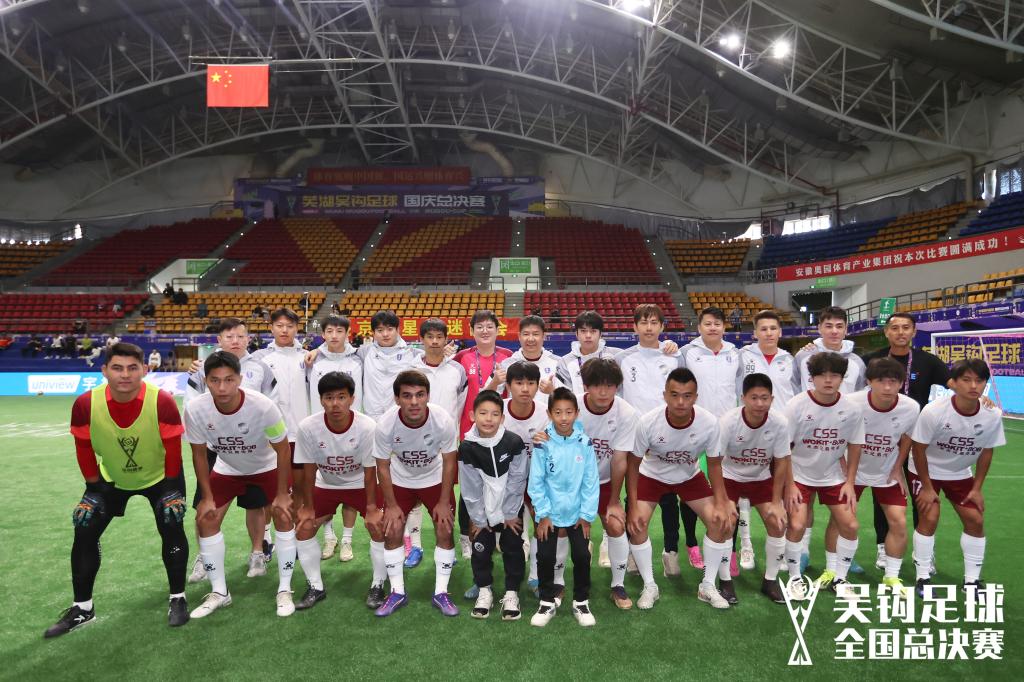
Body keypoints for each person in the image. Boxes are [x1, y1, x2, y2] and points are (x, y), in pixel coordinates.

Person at [44, 343, 189, 637]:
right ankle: (83, 608)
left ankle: (178, 598)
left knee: (171, 525)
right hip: (111, 478)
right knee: (84, 528)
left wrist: (172, 489)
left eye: (132, 368)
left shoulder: (162, 401)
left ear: (145, 370)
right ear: (104, 371)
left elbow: (173, 449)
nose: (125, 375)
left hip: (161, 477)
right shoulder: (86, 404)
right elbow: (84, 448)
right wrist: (93, 488)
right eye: (117, 368)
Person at [185, 351, 296, 619]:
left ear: (240, 379)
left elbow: (283, 449)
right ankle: (220, 592)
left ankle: (284, 589)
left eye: (229, 380)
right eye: (215, 381)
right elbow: (199, 454)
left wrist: (282, 494)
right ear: (206, 381)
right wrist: (207, 497)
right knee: (205, 518)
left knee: (283, 515)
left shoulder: (262, 407)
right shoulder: (196, 409)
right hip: (228, 468)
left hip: (266, 466)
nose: (222, 387)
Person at [626, 368, 736, 611]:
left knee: (720, 521)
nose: (680, 402)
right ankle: (650, 585)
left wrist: (722, 502)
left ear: (696, 397)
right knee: (637, 524)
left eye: (687, 396)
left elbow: (715, 465)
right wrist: (632, 506)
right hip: (652, 476)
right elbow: (632, 466)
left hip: (689, 476)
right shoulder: (648, 422)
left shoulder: (709, 423)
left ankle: (708, 585)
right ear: (664, 395)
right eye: (674, 395)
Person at [185, 317, 279, 583]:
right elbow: (191, 405)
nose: (235, 341)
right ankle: (205, 557)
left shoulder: (260, 367)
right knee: (205, 506)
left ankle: (257, 552)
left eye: (240, 336)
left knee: (256, 505)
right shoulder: (202, 368)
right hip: (216, 448)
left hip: (253, 449)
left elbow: (273, 404)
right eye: (229, 336)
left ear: (248, 338)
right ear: (219, 340)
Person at [860, 311, 951, 570]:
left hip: (918, 440)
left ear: (914, 331)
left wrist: (980, 397)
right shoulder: (870, 360)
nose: (900, 332)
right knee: (882, 494)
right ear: (886, 332)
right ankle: (882, 546)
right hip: (883, 439)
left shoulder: (928, 361)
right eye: (895, 328)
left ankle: (924, 553)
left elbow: (954, 383)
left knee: (920, 495)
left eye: (906, 327)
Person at [909, 358, 1005, 596]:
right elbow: (918, 449)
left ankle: (971, 582)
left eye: (979, 381)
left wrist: (977, 488)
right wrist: (927, 488)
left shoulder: (992, 414)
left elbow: (987, 451)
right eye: (966, 380)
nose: (973, 386)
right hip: (926, 470)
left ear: (985, 384)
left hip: (959, 473)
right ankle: (922, 577)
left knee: (975, 520)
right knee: (929, 517)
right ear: (954, 382)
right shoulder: (934, 411)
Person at [548, 357, 638, 609]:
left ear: (617, 387)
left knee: (616, 525)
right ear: (586, 386)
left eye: (609, 385)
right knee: (561, 528)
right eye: (597, 385)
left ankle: (618, 585)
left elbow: (619, 459)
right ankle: (557, 583)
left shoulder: (626, 413)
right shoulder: (571, 408)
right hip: (571, 481)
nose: (603, 392)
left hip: (606, 482)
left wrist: (614, 501)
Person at [293, 371, 387, 611]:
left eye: (342, 397)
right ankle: (315, 587)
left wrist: (371, 508)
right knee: (304, 527)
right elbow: (308, 469)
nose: (335, 404)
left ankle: (378, 584)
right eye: (329, 397)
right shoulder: (308, 427)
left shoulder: (367, 426)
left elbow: (370, 471)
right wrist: (308, 507)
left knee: (378, 525)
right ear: (321, 400)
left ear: (352, 399)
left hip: (360, 483)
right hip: (326, 484)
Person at [373, 370, 459, 617]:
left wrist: (443, 501)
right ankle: (397, 592)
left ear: (428, 396)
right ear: (397, 399)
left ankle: (441, 592)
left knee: (444, 527)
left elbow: (450, 461)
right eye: (407, 396)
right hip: (401, 480)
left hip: (434, 478)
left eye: (420, 395)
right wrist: (391, 505)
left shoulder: (442, 420)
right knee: (392, 530)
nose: (414, 402)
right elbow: (382, 466)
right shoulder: (385, 425)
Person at [782, 352, 865, 600]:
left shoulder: (851, 409)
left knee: (850, 525)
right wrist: (789, 485)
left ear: (842, 378)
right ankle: (794, 578)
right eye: (822, 375)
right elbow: (783, 449)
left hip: (833, 476)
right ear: (812, 378)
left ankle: (840, 578)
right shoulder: (796, 405)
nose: (828, 380)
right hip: (799, 474)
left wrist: (850, 482)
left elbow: (855, 445)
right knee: (797, 524)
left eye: (834, 375)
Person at [615, 303, 688, 578]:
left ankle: (671, 552)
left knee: (669, 497)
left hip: (668, 435)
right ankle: (633, 552)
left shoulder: (674, 357)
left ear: (662, 326)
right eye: (643, 322)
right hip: (635, 437)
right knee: (633, 496)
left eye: (654, 322)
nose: (648, 327)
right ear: (634, 327)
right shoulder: (622, 359)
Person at [791, 305, 866, 571]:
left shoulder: (856, 362)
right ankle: (802, 552)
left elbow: (861, 396)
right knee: (805, 500)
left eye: (839, 326)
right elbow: (795, 388)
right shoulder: (804, 356)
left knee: (843, 502)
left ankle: (842, 554)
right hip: (808, 436)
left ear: (846, 329)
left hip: (840, 437)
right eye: (828, 326)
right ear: (819, 328)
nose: (834, 331)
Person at [845, 359, 920, 595]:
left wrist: (898, 468)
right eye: (881, 381)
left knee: (899, 522)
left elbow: (908, 436)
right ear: (869, 382)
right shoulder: (852, 403)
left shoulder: (910, 407)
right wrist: (846, 474)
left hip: (886, 472)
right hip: (853, 471)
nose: (887, 387)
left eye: (893, 382)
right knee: (843, 520)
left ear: (901, 383)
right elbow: (839, 435)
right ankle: (837, 572)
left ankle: (891, 577)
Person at [716, 373, 792, 604]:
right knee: (725, 522)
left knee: (778, 522)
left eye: (765, 398)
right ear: (743, 398)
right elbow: (715, 462)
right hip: (729, 477)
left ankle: (770, 581)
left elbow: (782, 462)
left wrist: (777, 502)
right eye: (754, 398)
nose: (760, 403)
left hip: (760, 478)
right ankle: (725, 581)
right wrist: (722, 500)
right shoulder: (728, 421)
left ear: (772, 399)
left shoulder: (779, 423)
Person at [529, 388, 599, 627]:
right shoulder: (542, 443)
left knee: (582, 555)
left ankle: (581, 601)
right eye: (558, 412)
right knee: (545, 556)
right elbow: (536, 481)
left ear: (577, 413)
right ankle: (546, 601)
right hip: (549, 514)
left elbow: (590, 481)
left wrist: (586, 515)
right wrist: (543, 514)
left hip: (577, 514)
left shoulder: (585, 443)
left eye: (569, 412)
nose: (564, 417)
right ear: (549, 414)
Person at [679, 306, 741, 575]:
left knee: (729, 491)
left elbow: (740, 389)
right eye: (707, 323)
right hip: (695, 429)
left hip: (727, 432)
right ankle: (692, 544)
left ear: (724, 327)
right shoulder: (687, 353)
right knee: (691, 487)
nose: (713, 327)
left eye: (717, 323)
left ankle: (731, 548)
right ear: (699, 327)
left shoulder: (735, 354)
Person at [459, 390, 530, 620]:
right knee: (480, 549)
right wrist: (479, 518)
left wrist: (510, 513)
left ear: (502, 418)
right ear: (472, 415)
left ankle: (512, 593)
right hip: (482, 512)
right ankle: (484, 590)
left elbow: (518, 480)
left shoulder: (513, 442)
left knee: (513, 548)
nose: (488, 419)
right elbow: (469, 487)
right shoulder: (467, 447)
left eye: (495, 414)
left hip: (510, 511)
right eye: (483, 413)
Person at [736, 309, 796, 569]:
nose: (769, 333)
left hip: (781, 433)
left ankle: (779, 549)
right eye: (763, 329)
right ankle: (746, 545)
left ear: (780, 332)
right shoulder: (742, 356)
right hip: (748, 431)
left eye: (773, 328)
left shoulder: (791, 360)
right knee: (743, 493)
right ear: (755, 333)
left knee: (780, 491)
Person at [305, 315, 364, 561]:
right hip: (321, 431)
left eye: (340, 331)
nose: (334, 335)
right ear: (323, 334)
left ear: (348, 333)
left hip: (353, 431)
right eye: (329, 331)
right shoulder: (311, 360)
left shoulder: (359, 358)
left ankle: (347, 539)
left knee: (352, 481)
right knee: (324, 484)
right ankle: (329, 537)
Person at [412, 318, 469, 566]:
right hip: (415, 443)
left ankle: (446, 546)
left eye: (439, 337)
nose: (435, 342)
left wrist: (453, 434)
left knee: (446, 496)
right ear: (421, 339)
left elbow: (461, 405)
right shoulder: (411, 369)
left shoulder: (457, 370)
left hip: (446, 445)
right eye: (430, 337)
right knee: (413, 496)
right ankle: (414, 546)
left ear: (446, 339)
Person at [501, 361, 552, 598]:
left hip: (536, 480)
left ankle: (535, 575)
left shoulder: (546, 413)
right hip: (504, 480)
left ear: (537, 386)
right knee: (500, 528)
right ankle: (486, 580)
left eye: (531, 383)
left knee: (541, 524)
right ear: (508, 385)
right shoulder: (497, 410)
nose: (525, 388)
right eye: (519, 383)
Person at [453, 309, 514, 437]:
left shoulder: (508, 356)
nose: (485, 331)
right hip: (469, 424)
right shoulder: (461, 357)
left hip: (499, 424)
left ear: (497, 330)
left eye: (490, 327)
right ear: (472, 331)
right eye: (479, 327)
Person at [356, 310, 423, 421]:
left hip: (400, 416)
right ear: (373, 332)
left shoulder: (412, 353)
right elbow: (341, 351)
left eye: (390, 329)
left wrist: (445, 352)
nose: (385, 334)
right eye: (380, 330)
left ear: (398, 330)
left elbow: (433, 356)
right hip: (371, 417)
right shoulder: (364, 352)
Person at [495, 315, 561, 412]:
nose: (530, 339)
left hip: (548, 419)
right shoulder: (507, 364)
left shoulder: (558, 363)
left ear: (544, 336)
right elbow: (487, 395)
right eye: (526, 334)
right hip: (515, 419)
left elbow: (570, 399)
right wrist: (495, 382)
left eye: (535, 334)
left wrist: (552, 391)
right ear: (519, 336)